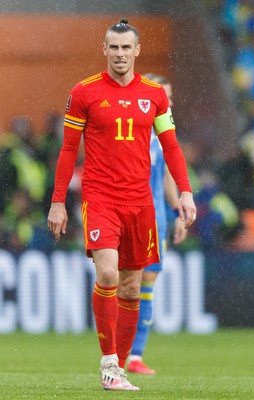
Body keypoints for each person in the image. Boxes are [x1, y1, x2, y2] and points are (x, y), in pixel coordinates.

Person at [47, 18, 196, 391]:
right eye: (113, 47)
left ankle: (118, 371)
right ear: (104, 50)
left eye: (126, 47)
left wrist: (186, 192)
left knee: (131, 288)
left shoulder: (155, 95)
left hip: (141, 202)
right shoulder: (84, 92)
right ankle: (109, 362)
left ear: (137, 50)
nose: (119, 54)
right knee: (109, 275)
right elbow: (68, 150)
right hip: (100, 198)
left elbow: (172, 146)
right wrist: (58, 202)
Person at [127, 74, 188, 375]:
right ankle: (117, 350)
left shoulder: (164, 135)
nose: (170, 102)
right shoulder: (130, 131)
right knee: (129, 284)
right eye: (166, 95)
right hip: (131, 215)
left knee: (148, 284)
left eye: (171, 96)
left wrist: (177, 211)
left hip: (157, 219)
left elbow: (164, 175)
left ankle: (135, 355)